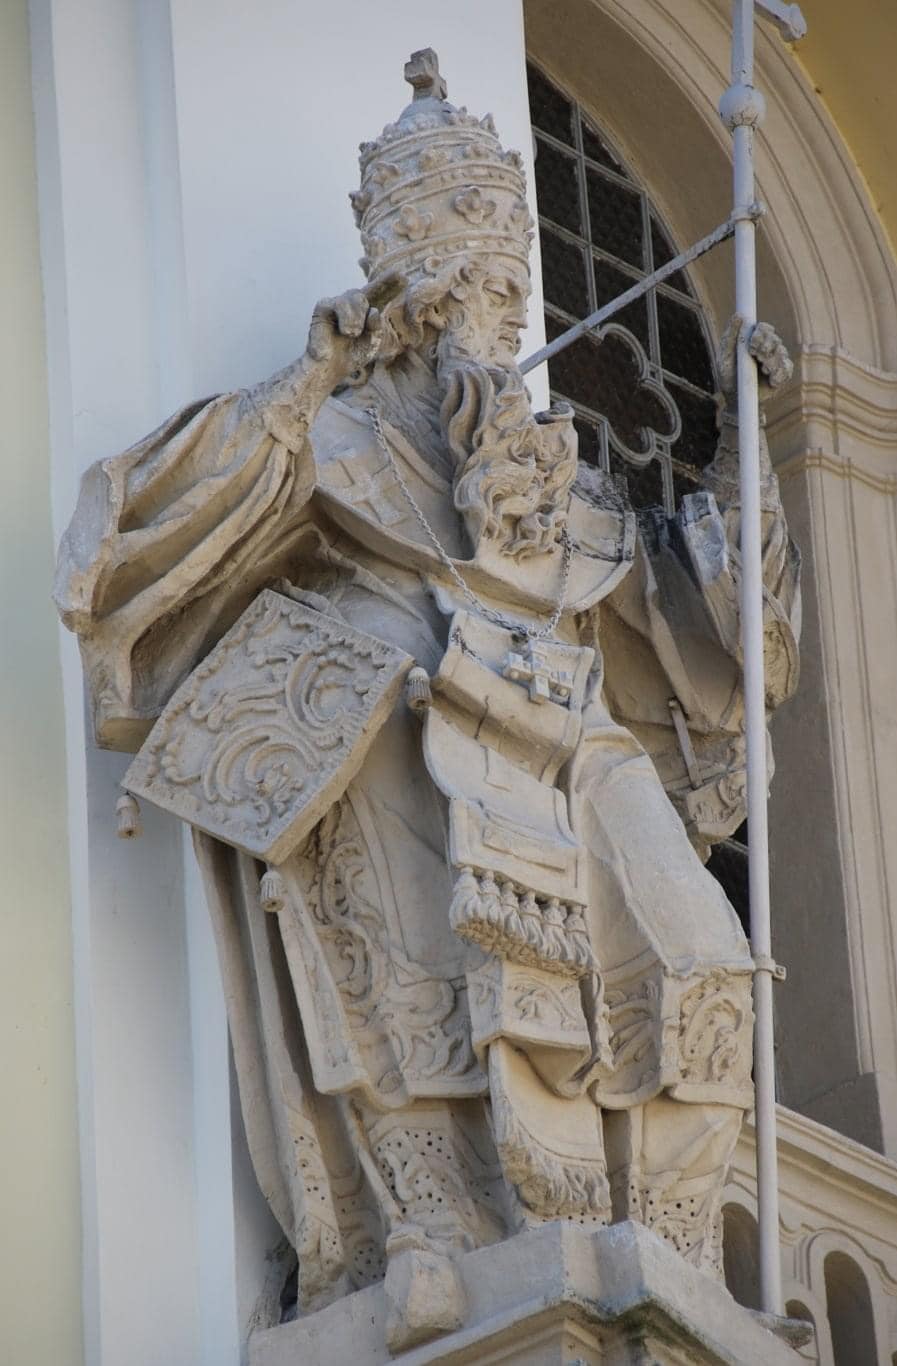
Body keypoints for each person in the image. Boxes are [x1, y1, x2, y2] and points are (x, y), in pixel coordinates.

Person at [56, 48, 800, 1315]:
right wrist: (308, 376)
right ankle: (437, 1228)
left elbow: (703, 642)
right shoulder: (330, 430)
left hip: (565, 736)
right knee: (412, 961)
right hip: (402, 727)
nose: (495, 313)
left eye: (509, 285)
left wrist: (739, 434)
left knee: (699, 946)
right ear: (405, 283)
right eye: (469, 282)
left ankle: (658, 1247)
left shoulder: (555, 472)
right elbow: (148, 532)